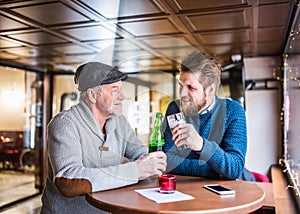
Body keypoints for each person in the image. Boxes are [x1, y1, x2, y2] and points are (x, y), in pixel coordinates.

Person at [41, 62, 167, 213]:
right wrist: (134, 171)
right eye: (115, 90)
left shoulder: (119, 121)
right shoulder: (64, 124)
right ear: (93, 95)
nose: (122, 96)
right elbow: (68, 182)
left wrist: (151, 162)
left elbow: (140, 154)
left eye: (121, 89)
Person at [163, 51, 255, 181]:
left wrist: (200, 144)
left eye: (191, 88)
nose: (182, 94)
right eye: (181, 86)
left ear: (210, 89)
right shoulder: (174, 108)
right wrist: (218, 171)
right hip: (185, 191)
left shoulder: (233, 111)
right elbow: (167, 161)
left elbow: (235, 168)